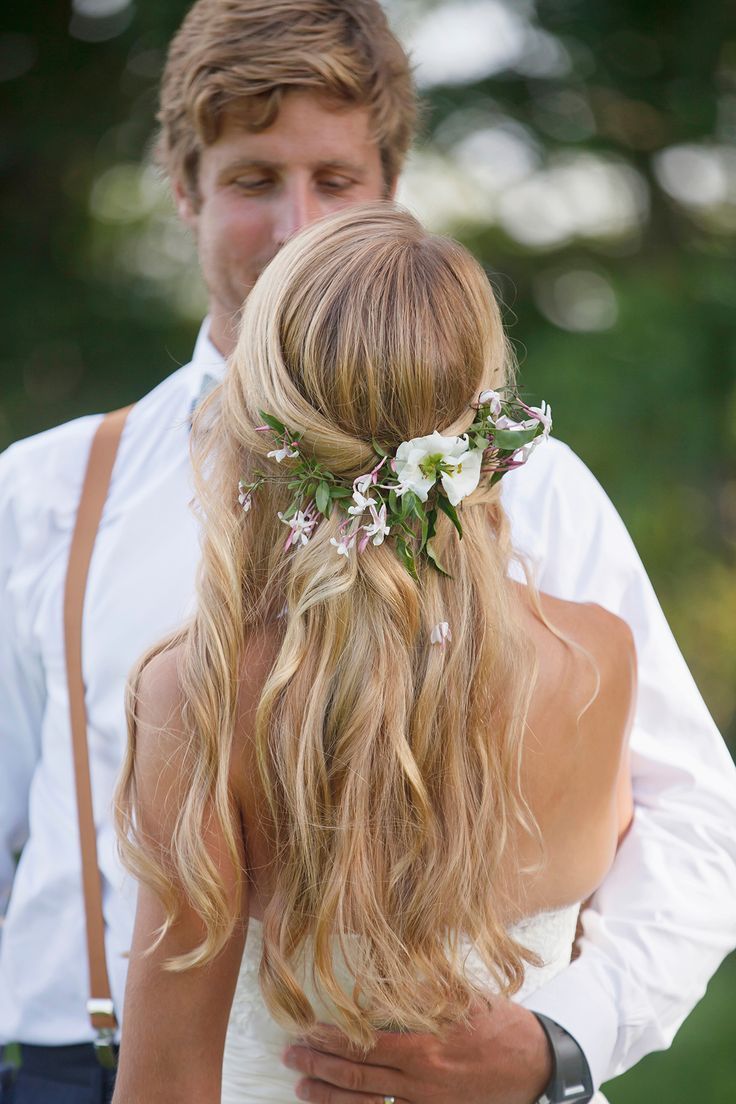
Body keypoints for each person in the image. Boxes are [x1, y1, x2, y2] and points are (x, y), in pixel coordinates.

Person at [0, 1, 733, 1103]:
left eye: (335, 182)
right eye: (254, 180)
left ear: (389, 187)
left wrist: (562, 1041)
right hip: (59, 1063)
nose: (298, 226)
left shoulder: (524, 483)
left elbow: (691, 814)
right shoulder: (45, 490)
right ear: (185, 185)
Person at [112, 203, 638, 1104]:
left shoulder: (203, 693)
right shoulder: (597, 657)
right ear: (482, 422)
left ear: (261, 416)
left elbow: (165, 1083)